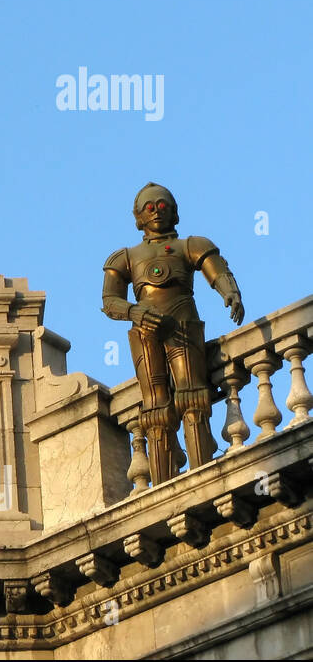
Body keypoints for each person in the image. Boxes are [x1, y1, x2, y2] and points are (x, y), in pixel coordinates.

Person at [102, 182, 244, 484]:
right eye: (150, 208)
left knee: (193, 397)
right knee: (156, 408)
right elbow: (109, 301)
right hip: (145, 333)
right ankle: (164, 483)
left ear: (174, 212)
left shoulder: (190, 245)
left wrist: (230, 292)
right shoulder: (125, 256)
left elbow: (216, 270)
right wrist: (134, 311)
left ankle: (204, 472)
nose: (156, 212)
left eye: (163, 206)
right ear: (139, 216)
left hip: (183, 327)